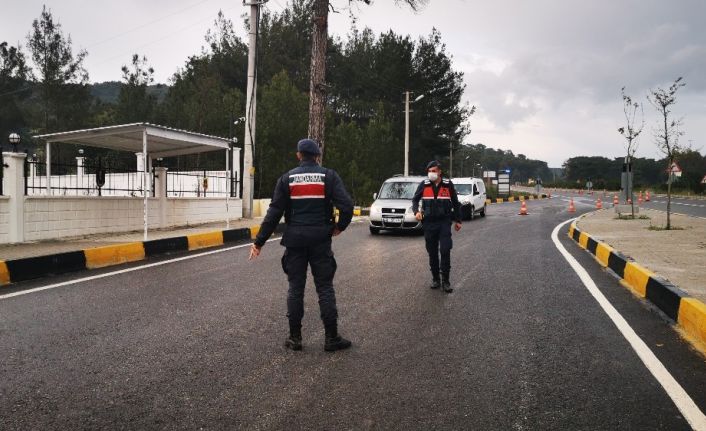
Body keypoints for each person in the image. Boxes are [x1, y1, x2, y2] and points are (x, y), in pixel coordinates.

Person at [248, 138, 354, 352]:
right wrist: (339, 227)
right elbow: (347, 205)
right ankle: (331, 338)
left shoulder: (287, 179)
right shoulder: (329, 176)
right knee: (324, 287)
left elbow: (274, 214)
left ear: (298, 155)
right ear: (317, 156)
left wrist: (259, 242)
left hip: (295, 241)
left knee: (295, 288)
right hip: (321, 240)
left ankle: (295, 338)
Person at [411, 160, 462, 293]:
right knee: (432, 252)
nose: (431, 173)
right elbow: (415, 200)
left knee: (445, 249)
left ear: (439, 172)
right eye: (429, 171)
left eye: (433, 171)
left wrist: (458, 220)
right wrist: (416, 211)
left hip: (444, 222)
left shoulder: (447, 184)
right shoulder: (424, 184)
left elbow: (456, 203)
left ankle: (446, 281)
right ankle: (435, 279)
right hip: (429, 223)